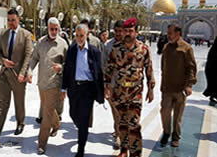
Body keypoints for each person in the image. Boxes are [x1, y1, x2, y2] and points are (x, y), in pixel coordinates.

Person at [104, 18, 155, 157]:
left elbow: (149, 70)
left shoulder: (143, 49)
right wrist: (107, 86)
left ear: (136, 32)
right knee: (122, 123)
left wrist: (151, 89)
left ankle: (135, 153)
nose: (128, 34)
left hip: (135, 92)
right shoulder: (116, 49)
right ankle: (123, 150)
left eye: (131, 31)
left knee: (134, 125)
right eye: (126, 31)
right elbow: (109, 69)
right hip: (119, 91)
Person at [0, 8, 33, 142]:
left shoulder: (26, 35)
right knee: (2, 103)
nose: (11, 23)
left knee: (19, 103)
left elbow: (28, 56)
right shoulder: (4, 34)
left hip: (18, 76)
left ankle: (20, 123)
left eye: (13, 20)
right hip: (4, 74)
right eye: (9, 20)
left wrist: (23, 73)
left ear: (18, 20)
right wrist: (3, 60)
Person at [62, 24, 104, 157]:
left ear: (86, 35)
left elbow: (99, 72)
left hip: (88, 89)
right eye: (77, 35)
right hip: (74, 88)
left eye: (82, 35)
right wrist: (63, 88)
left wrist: (102, 91)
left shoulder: (94, 51)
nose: (79, 38)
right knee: (73, 114)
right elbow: (67, 70)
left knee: (84, 119)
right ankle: (82, 130)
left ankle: (81, 149)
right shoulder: (72, 50)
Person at [27, 17, 68, 155]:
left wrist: (61, 67)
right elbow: (34, 58)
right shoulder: (40, 42)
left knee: (46, 113)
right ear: (47, 28)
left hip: (55, 83)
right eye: (52, 29)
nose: (54, 31)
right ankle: (56, 124)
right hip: (42, 83)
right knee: (47, 108)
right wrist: (30, 71)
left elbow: (69, 65)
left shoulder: (63, 44)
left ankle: (41, 143)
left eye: (56, 29)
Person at [160, 24, 197, 148]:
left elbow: (191, 67)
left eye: (170, 33)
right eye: (168, 33)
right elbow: (162, 66)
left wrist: (189, 85)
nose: (168, 35)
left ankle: (175, 137)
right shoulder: (166, 47)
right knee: (164, 112)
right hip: (167, 87)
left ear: (178, 34)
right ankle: (166, 132)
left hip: (180, 88)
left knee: (177, 115)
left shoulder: (186, 48)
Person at [102, 20, 124, 149]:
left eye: (120, 31)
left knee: (122, 112)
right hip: (112, 85)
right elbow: (103, 66)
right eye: (116, 31)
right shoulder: (108, 46)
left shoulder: (128, 45)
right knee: (115, 112)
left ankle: (121, 133)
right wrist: (106, 85)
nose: (118, 34)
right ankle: (118, 136)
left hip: (126, 86)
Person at [203, 36, 217, 106]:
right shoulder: (215, 51)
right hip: (213, 70)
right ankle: (213, 97)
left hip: (211, 69)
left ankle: (213, 96)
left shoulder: (213, 49)